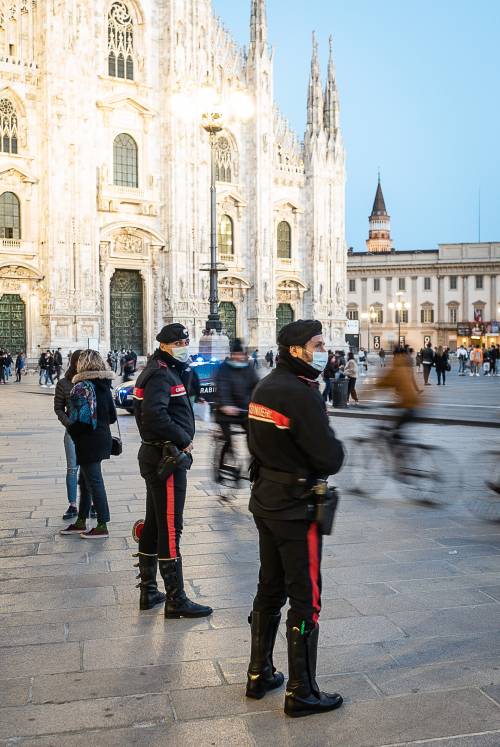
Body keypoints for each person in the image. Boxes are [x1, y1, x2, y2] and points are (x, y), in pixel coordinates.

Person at [245, 319, 345, 717]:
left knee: (269, 588)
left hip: (265, 499)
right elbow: (329, 458)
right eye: (318, 344)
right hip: (295, 506)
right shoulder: (301, 395)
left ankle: (259, 673)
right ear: (296, 350)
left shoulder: (266, 386)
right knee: (306, 598)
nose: (324, 350)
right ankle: (302, 691)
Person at [133, 323, 212, 617]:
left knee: (154, 524)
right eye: (178, 342)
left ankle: (149, 591)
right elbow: (154, 416)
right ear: (164, 345)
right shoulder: (159, 375)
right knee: (170, 526)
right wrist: (183, 439)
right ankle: (176, 599)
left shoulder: (165, 369)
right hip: (165, 458)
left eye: (185, 341)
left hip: (159, 456)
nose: (184, 345)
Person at [60, 350, 116, 538]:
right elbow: (113, 417)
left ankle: (102, 524)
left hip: (87, 442)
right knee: (85, 482)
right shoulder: (105, 386)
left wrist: (73, 432)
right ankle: (81, 521)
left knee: (94, 482)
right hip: (103, 439)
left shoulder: (80, 387)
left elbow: (79, 420)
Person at [54, 350, 94, 521]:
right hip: (71, 432)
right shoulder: (63, 383)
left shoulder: (90, 381)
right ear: (74, 362)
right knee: (72, 469)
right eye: (80, 361)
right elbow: (58, 408)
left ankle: (90, 503)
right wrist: (69, 424)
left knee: (90, 469)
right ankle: (72, 505)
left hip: (89, 432)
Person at [214, 338, 259, 481]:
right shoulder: (224, 368)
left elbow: (256, 386)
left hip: (244, 410)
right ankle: (221, 469)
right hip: (225, 412)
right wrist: (226, 405)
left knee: (252, 436)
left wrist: (254, 403)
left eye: (240, 354)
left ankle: (254, 465)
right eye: (235, 354)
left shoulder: (249, 367)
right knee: (228, 439)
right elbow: (223, 387)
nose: (238, 357)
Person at [375, 347, 422, 436]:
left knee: (394, 433)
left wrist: (363, 397)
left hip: (408, 406)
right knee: (396, 428)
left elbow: (381, 384)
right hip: (415, 404)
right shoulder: (406, 367)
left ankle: (400, 446)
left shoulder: (397, 369)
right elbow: (411, 380)